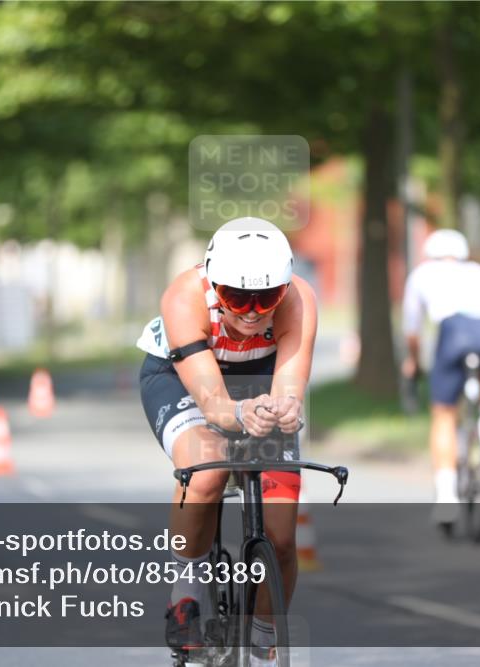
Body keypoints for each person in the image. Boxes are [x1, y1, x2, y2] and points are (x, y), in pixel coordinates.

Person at [136, 217, 316, 665]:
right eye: (236, 296)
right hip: (183, 380)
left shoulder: (300, 299)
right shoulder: (184, 297)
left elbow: (289, 386)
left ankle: (261, 641)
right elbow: (213, 401)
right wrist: (238, 414)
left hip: (259, 378)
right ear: (215, 285)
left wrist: (286, 408)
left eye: (266, 297)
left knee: (280, 536)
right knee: (209, 468)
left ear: (285, 287)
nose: (252, 311)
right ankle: (186, 592)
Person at [401, 229, 480, 525]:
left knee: (444, 414)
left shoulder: (422, 274)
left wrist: (413, 360)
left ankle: (446, 497)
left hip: (453, 333)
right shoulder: (479, 272)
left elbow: (412, 328)